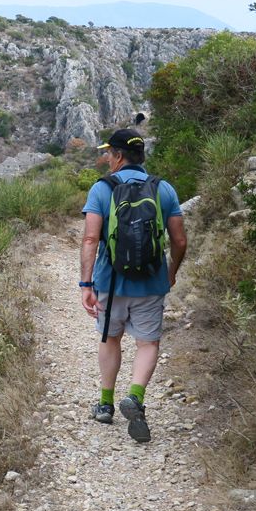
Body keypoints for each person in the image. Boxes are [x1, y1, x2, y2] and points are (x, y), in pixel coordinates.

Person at [79, 129, 188, 442]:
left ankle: (105, 404)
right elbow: (179, 240)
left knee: (110, 338)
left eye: (109, 153)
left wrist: (86, 283)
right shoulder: (163, 189)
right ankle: (136, 396)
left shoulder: (102, 189)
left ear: (117, 156)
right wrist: (171, 271)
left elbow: (89, 239)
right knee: (147, 343)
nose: (107, 158)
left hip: (109, 284)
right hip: (151, 282)